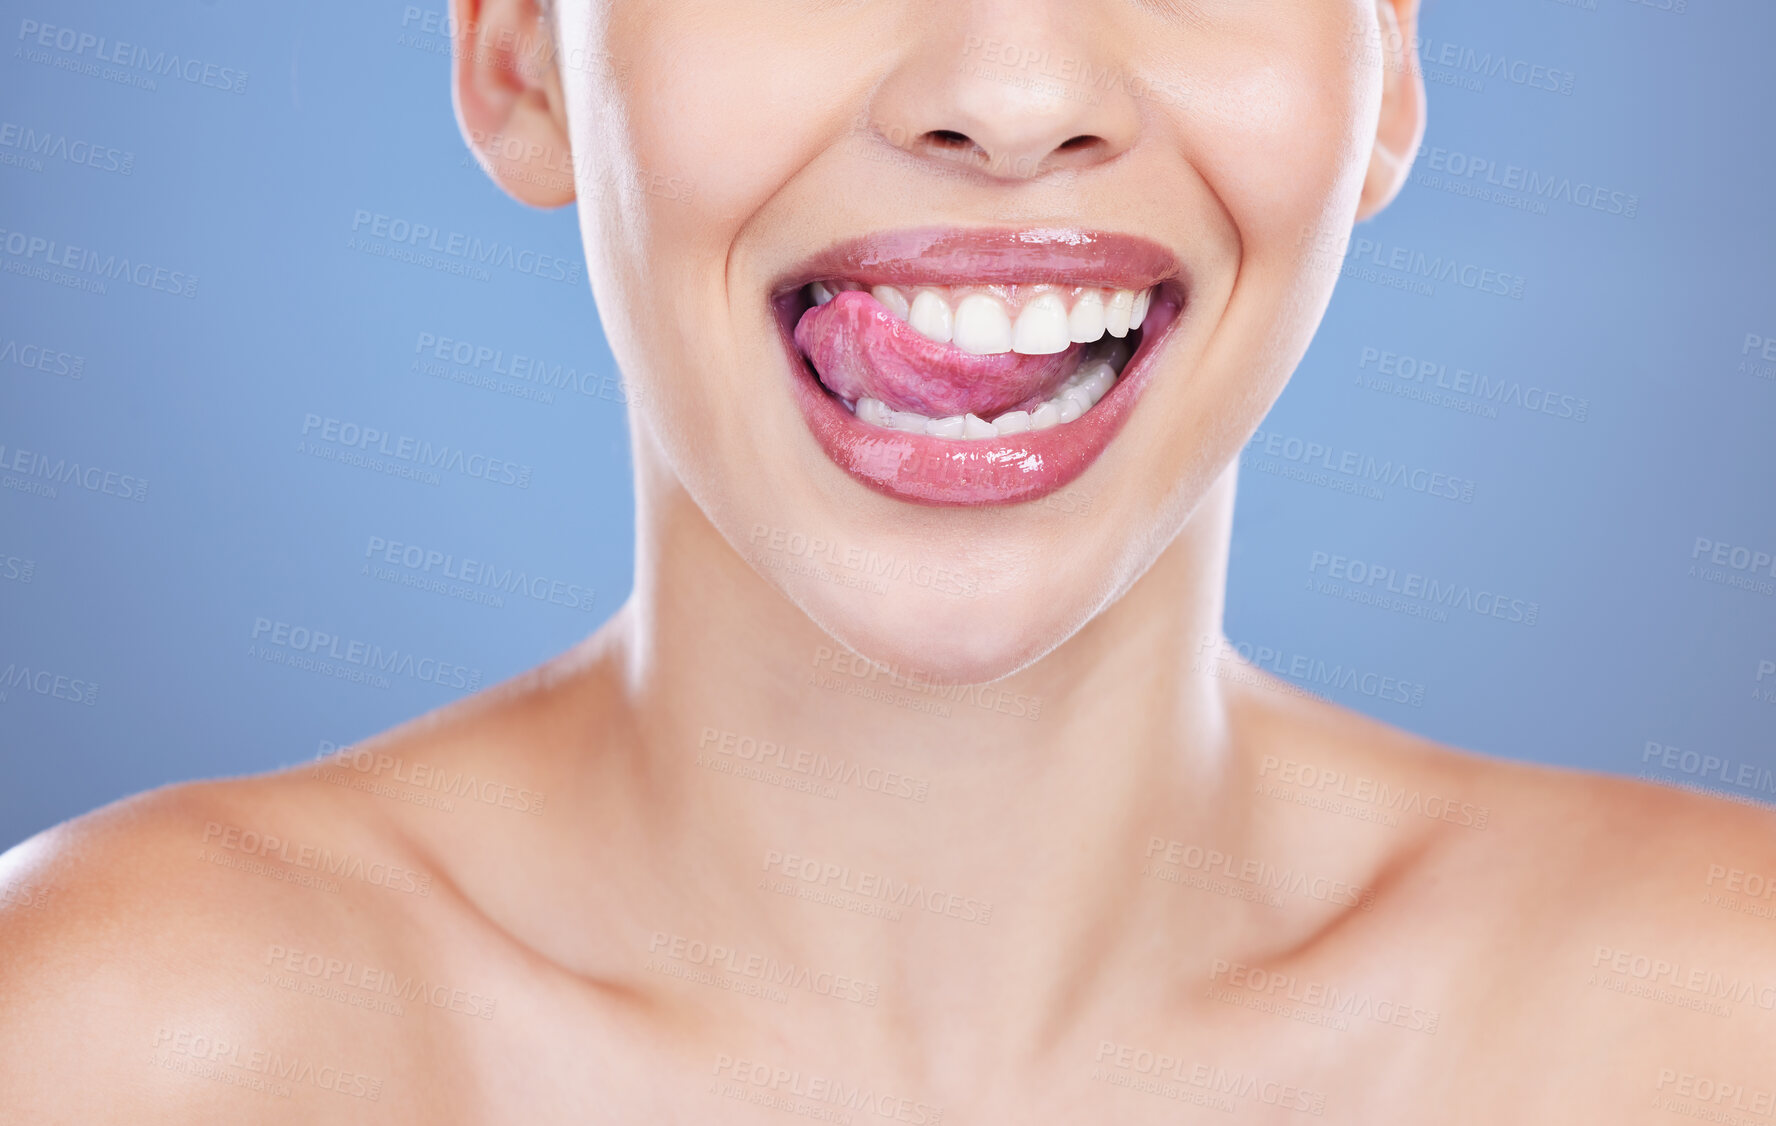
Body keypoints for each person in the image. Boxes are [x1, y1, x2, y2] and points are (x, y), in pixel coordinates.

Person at [4, 0, 1772, 1120]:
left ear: (1387, 65)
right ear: (520, 52)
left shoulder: (1720, 1021)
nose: (1009, 92)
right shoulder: (114, 1042)